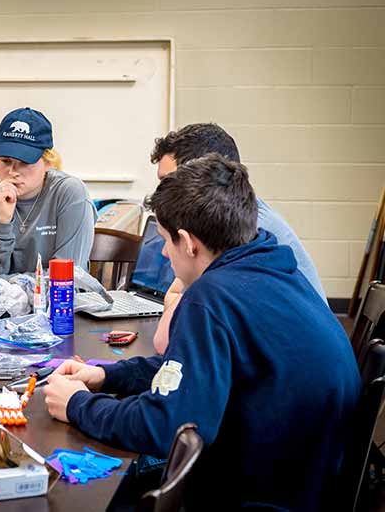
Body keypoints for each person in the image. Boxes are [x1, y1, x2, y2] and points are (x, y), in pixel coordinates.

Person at [43, 155, 360, 510]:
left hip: (263, 496)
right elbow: (194, 370)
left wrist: (77, 405)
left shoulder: (210, 299)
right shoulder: (270, 263)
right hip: (309, 478)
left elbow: (165, 425)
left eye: (164, 241)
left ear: (188, 242)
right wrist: (106, 375)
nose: (163, 252)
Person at [150, 122, 326, 353]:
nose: (160, 194)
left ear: (201, 178)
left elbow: (167, 339)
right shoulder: (245, 214)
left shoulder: (233, 229)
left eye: (168, 182)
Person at [0, 107, 97, 275]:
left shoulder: (70, 192)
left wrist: (11, 286)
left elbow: (68, 278)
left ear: (48, 162)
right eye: (5, 161)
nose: (12, 172)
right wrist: (3, 221)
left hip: (55, 301)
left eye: (25, 162)